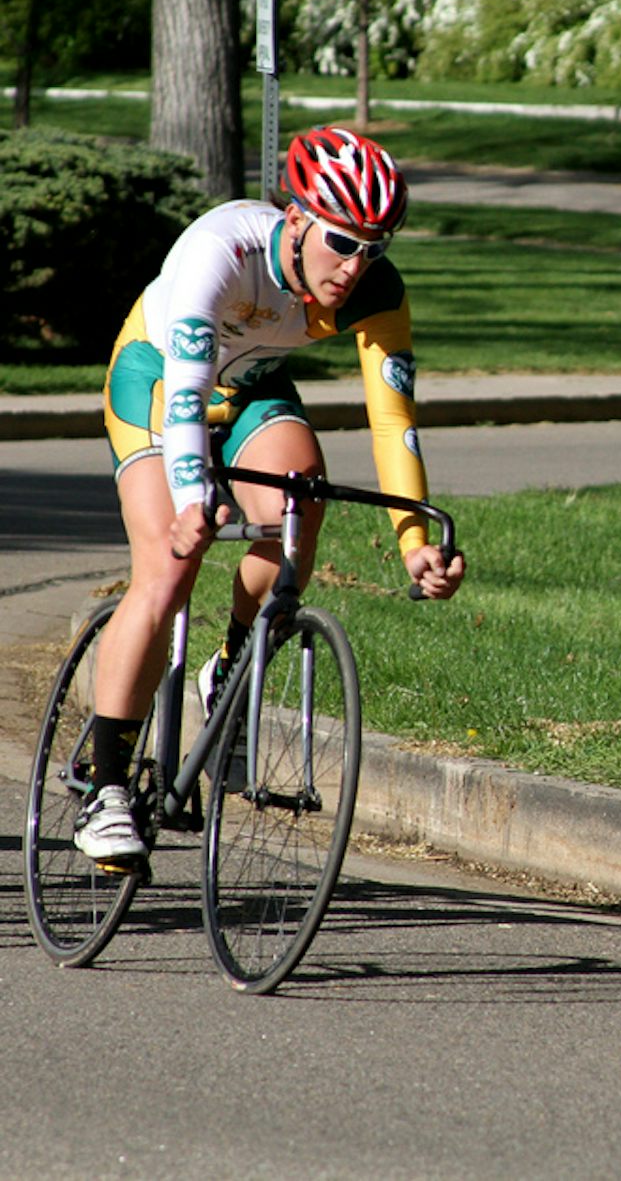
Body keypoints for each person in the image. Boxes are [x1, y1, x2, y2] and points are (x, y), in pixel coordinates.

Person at [73, 126, 466, 864]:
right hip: (158, 379)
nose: (354, 266)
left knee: (299, 498)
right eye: (341, 242)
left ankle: (231, 662)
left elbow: (394, 421)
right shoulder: (220, 250)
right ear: (295, 219)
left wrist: (414, 541)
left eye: (374, 248)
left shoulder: (377, 290)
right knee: (168, 565)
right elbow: (184, 395)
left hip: (250, 385)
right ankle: (107, 788)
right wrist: (194, 498)